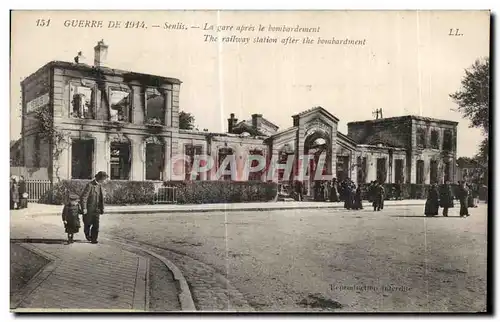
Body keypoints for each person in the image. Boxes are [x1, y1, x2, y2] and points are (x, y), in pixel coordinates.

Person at [80, 171, 108, 244]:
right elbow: (84, 197)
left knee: (96, 225)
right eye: (104, 179)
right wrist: (84, 208)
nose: (104, 181)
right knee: (87, 224)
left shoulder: (100, 186)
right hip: (89, 209)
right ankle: (87, 234)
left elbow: (101, 198)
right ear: (100, 179)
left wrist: (102, 208)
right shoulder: (90, 185)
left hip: (97, 209)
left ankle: (94, 239)